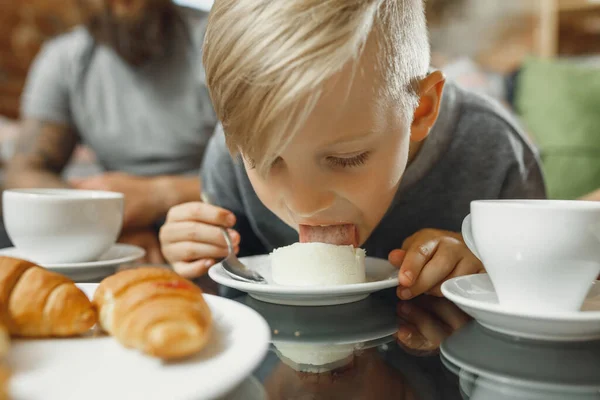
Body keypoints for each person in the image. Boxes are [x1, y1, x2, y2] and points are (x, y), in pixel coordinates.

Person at [159, 0, 546, 299]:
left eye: (346, 159)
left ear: (420, 110)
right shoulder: (230, 157)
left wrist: (489, 267)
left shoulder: (495, 154)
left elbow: (546, 283)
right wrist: (196, 250)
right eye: (265, 161)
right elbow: (231, 289)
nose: (306, 204)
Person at [4, 0, 216, 263]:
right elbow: (24, 172)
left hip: (216, 219)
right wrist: (106, 224)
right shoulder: (65, 59)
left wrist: (158, 195)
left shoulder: (216, 39)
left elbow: (264, 172)